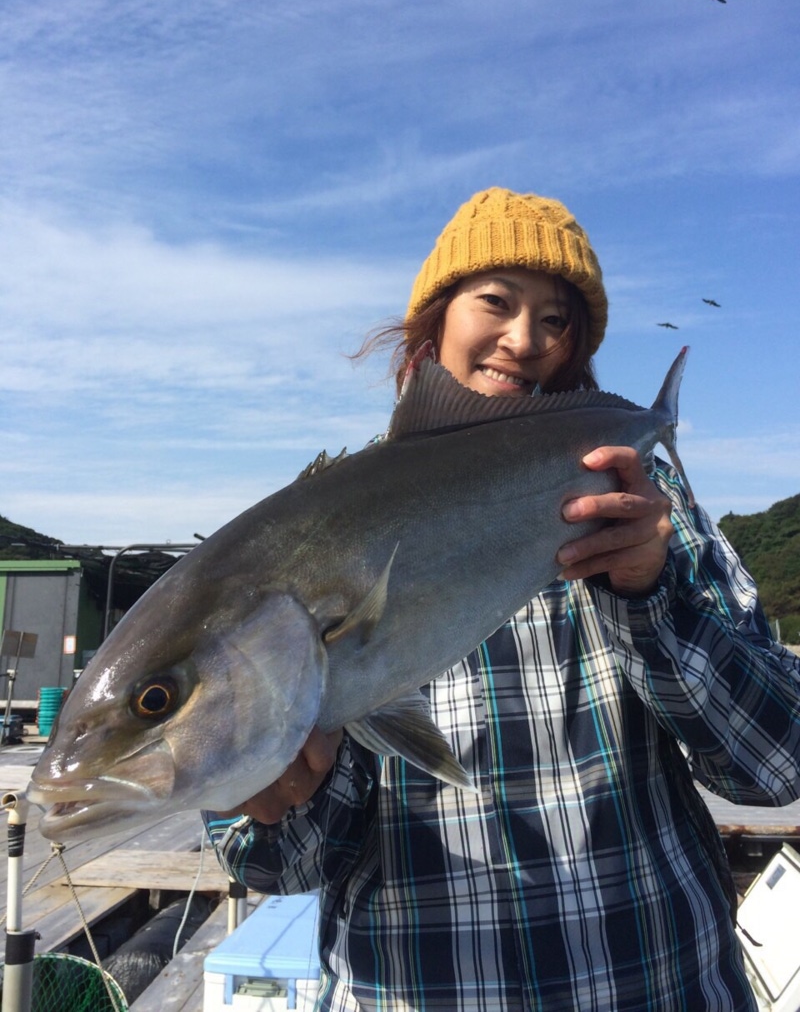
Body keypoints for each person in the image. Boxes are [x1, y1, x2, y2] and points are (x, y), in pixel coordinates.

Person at [203, 188, 800, 1011]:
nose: (524, 340)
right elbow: (283, 870)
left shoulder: (636, 502)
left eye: (556, 320)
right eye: (496, 302)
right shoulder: (323, 533)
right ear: (437, 316)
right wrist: (284, 798)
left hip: (660, 985)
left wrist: (650, 595)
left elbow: (776, 766)